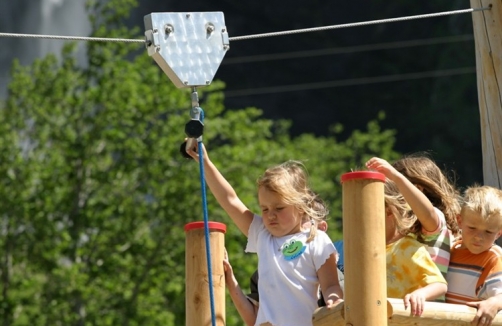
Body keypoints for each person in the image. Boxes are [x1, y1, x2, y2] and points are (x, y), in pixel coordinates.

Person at [187, 144, 343, 326]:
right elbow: (230, 200)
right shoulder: (263, 235)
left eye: (279, 208)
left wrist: (334, 299)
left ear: (301, 207)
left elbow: (331, 285)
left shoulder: (316, 239)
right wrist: (205, 162)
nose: (270, 215)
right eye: (264, 208)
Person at [381, 178, 448, 316]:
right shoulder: (368, 251)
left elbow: (440, 285)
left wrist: (420, 294)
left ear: (388, 211)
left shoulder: (408, 248)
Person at [390, 154, 461, 279]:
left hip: (424, 297)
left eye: (395, 188)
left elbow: (427, 212)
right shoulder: (404, 223)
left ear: (417, 189)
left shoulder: (433, 219)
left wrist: (397, 178)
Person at [445, 185, 502, 326]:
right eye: (472, 228)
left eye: (488, 232)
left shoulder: (493, 258)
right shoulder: (450, 249)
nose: (478, 237)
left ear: (499, 233)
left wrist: (495, 302)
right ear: (460, 221)